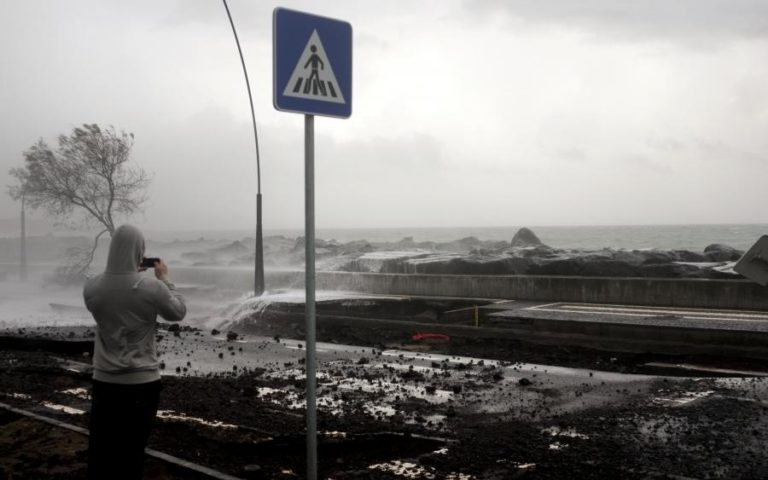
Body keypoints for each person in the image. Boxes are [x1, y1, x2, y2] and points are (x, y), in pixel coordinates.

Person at [83, 224, 186, 479]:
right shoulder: (151, 287)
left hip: (104, 381)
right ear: (139, 251)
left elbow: (115, 301)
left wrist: (129, 273)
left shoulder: (92, 286)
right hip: (141, 383)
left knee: (102, 453)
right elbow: (178, 312)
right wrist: (165, 280)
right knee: (132, 454)